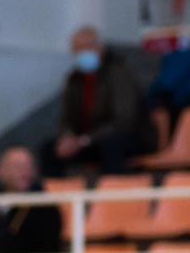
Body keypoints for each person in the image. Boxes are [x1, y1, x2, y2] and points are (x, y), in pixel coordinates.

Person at [45, 27, 147, 176]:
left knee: (111, 145)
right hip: (86, 140)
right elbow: (67, 117)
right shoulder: (74, 79)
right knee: (49, 149)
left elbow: (124, 120)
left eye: (85, 49)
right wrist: (67, 137)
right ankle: (54, 190)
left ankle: (114, 188)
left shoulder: (118, 73)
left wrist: (86, 140)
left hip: (126, 137)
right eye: (77, 51)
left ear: (99, 48)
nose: (81, 55)